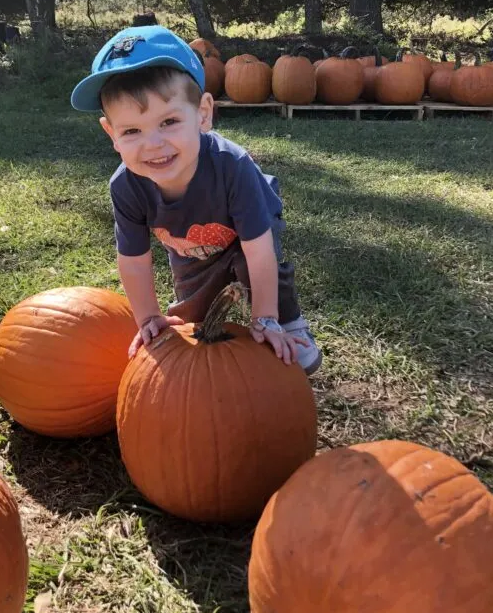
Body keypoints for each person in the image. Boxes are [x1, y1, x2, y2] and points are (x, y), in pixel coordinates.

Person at [70, 25, 322, 374]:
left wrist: (266, 318)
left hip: (247, 227)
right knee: (192, 305)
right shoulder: (125, 187)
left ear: (203, 114)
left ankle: (289, 321)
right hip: (186, 240)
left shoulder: (232, 166)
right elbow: (133, 260)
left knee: (253, 266)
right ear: (111, 134)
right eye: (131, 131)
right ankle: (193, 310)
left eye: (169, 121)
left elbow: (258, 249)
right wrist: (147, 318)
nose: (153, 145)